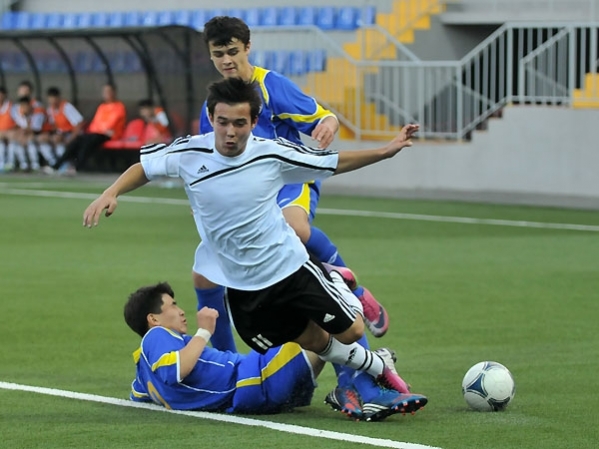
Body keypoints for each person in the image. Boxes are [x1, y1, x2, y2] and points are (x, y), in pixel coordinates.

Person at [83, 78, 420, 402]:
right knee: (314, 341)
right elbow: (145, 166)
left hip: (289, 268)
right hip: (243, 287)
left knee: (353, 332)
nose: (230, 132)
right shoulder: (189, 152)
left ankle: (340, 281)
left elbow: (332, 162)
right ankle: (378, 365)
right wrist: (112, 192)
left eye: (240, 123)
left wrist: (385, 151)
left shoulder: (271, 153)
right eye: (222, 122)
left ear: (254, 121)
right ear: (211, 117)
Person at [196, 16, 388, 355]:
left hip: (287, 181)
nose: (227, 60)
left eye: (233, 51)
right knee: (206, 274)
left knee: (295, 228)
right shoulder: (213, 106)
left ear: (248, 48)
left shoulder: (271, 86)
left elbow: (322, 115)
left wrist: (328, 125)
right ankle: (227, 363)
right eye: (219, 54)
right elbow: (210, 162)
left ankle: (353, 291)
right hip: (247, 199)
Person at [125, 281, 426, 421]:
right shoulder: (156, 337)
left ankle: (364, 375)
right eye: (172, 305)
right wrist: (205, 331)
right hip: (256, 378)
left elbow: (141, 393)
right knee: (314, 314)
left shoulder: (143, 370)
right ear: (153, 320)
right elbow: (175, 372)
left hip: (260, 392)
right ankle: (353, 295)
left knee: (317, 332)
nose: (180, 311)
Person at [52, 83, 126, 173]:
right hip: (97, 133)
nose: (106, 94)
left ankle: (77, 167)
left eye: (108, 91)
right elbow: (96, 122)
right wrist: (97, 129)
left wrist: (100, 129)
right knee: (78, 140)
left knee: (89, 142)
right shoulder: (102, 107)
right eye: (105, 91)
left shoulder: (119, 106)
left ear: (114, 92)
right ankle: (57, 165)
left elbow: (111, 123)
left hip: (110, 135)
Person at [45, 86, 85, 169]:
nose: (52, 101)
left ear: (58, 98)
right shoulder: (50, 110)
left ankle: (66, 166)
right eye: (50, 99)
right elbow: (53, 126)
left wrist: (69, 139)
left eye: (54, 98)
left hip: (72, 135)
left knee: (60, 145)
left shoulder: (67, 107)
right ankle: (54, 164)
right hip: (61, 135)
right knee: (44, 143)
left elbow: (79, 124)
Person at [0, 86, 16, 172]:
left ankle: (11, 163)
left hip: (11, 132)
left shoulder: (11, 106)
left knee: (12, 142)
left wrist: (11, 130)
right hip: (1, 133)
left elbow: (18, 121)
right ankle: (1, 163)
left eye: (1, 95)